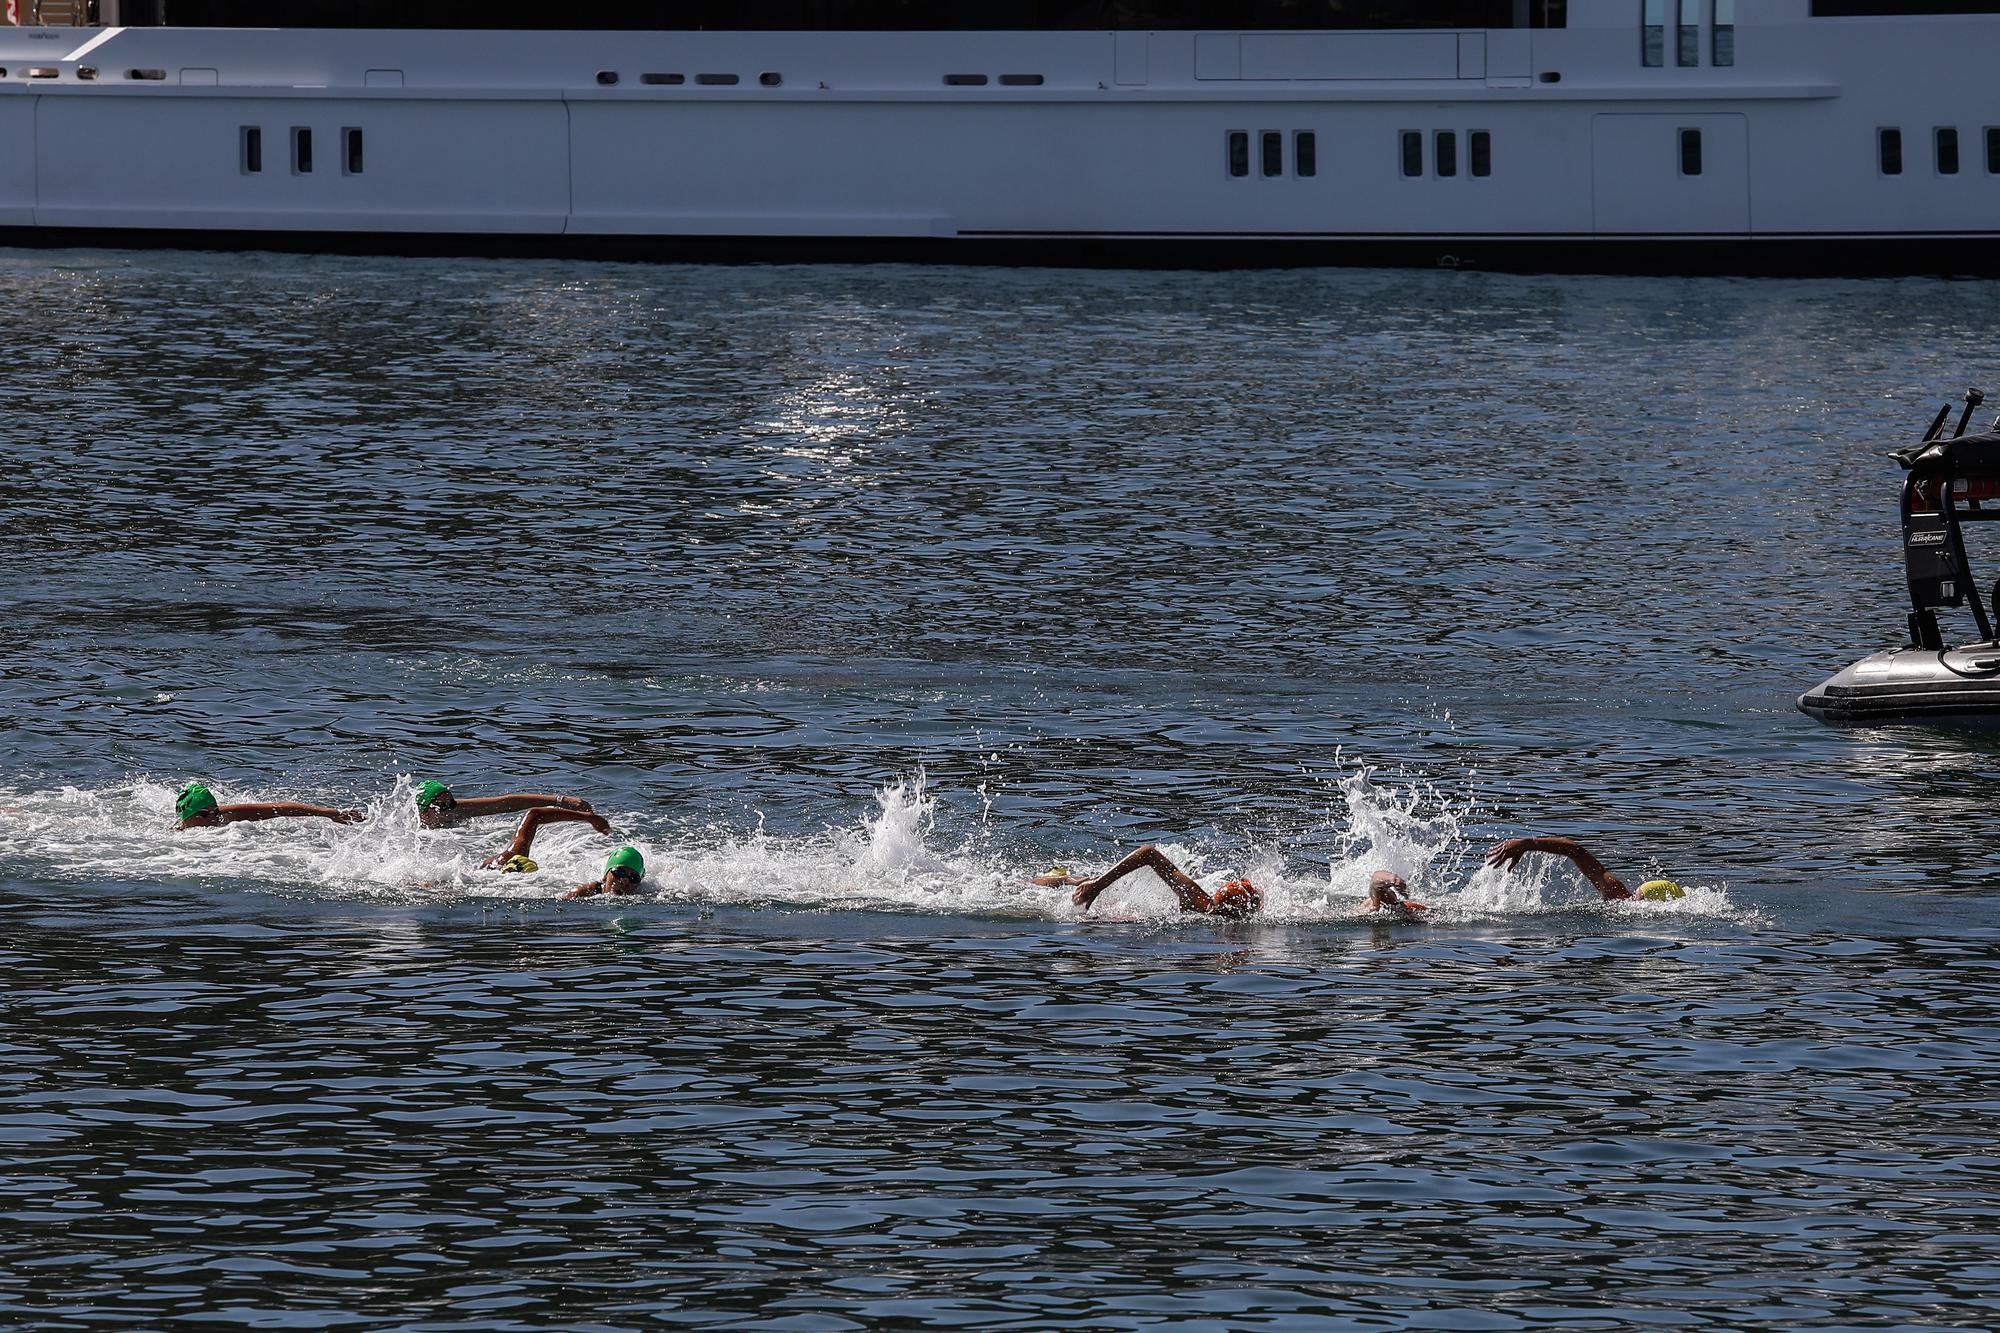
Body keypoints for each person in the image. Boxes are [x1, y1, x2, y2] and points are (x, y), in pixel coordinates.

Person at [1038, 845, 1264, 919]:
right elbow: (1148, 853)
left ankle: (1068, 878)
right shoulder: (1199, 903)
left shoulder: (1204, 905)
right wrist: (1099, 885)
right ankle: (1064, 879)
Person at [1484, 835, 1684, 901]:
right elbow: (1576, 851)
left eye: (1637, 896)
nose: (1633, 896)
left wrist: (1529, 843)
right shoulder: (1620, 897)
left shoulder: (1620, 899)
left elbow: (1576, 851)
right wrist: (1528, 844)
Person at [479, 804, 613, 873]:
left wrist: (588, 818)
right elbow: (533, 814)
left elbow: (534, 814)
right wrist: (588, 817)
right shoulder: (511, 858)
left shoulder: (504, 861)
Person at [173, 783, 361, 831]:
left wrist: (327, 813)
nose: (214, 817)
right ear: (188, 817)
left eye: (215, 811)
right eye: (206, 814)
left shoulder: (226, 816)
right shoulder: (178, 835)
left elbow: (278, 808)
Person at [415, 779, 594, 829]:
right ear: (423, 812)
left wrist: (560, 801)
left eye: (452, 803)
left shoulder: (456, 811)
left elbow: (506, 803)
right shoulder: (407, 832)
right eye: (442, 807)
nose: (449, 811)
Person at [563, 846, 647, 900]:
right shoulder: (580, 893)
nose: (625, 881)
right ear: (606, 875)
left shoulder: (644, 896)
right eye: (619, 872)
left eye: (633, 877)